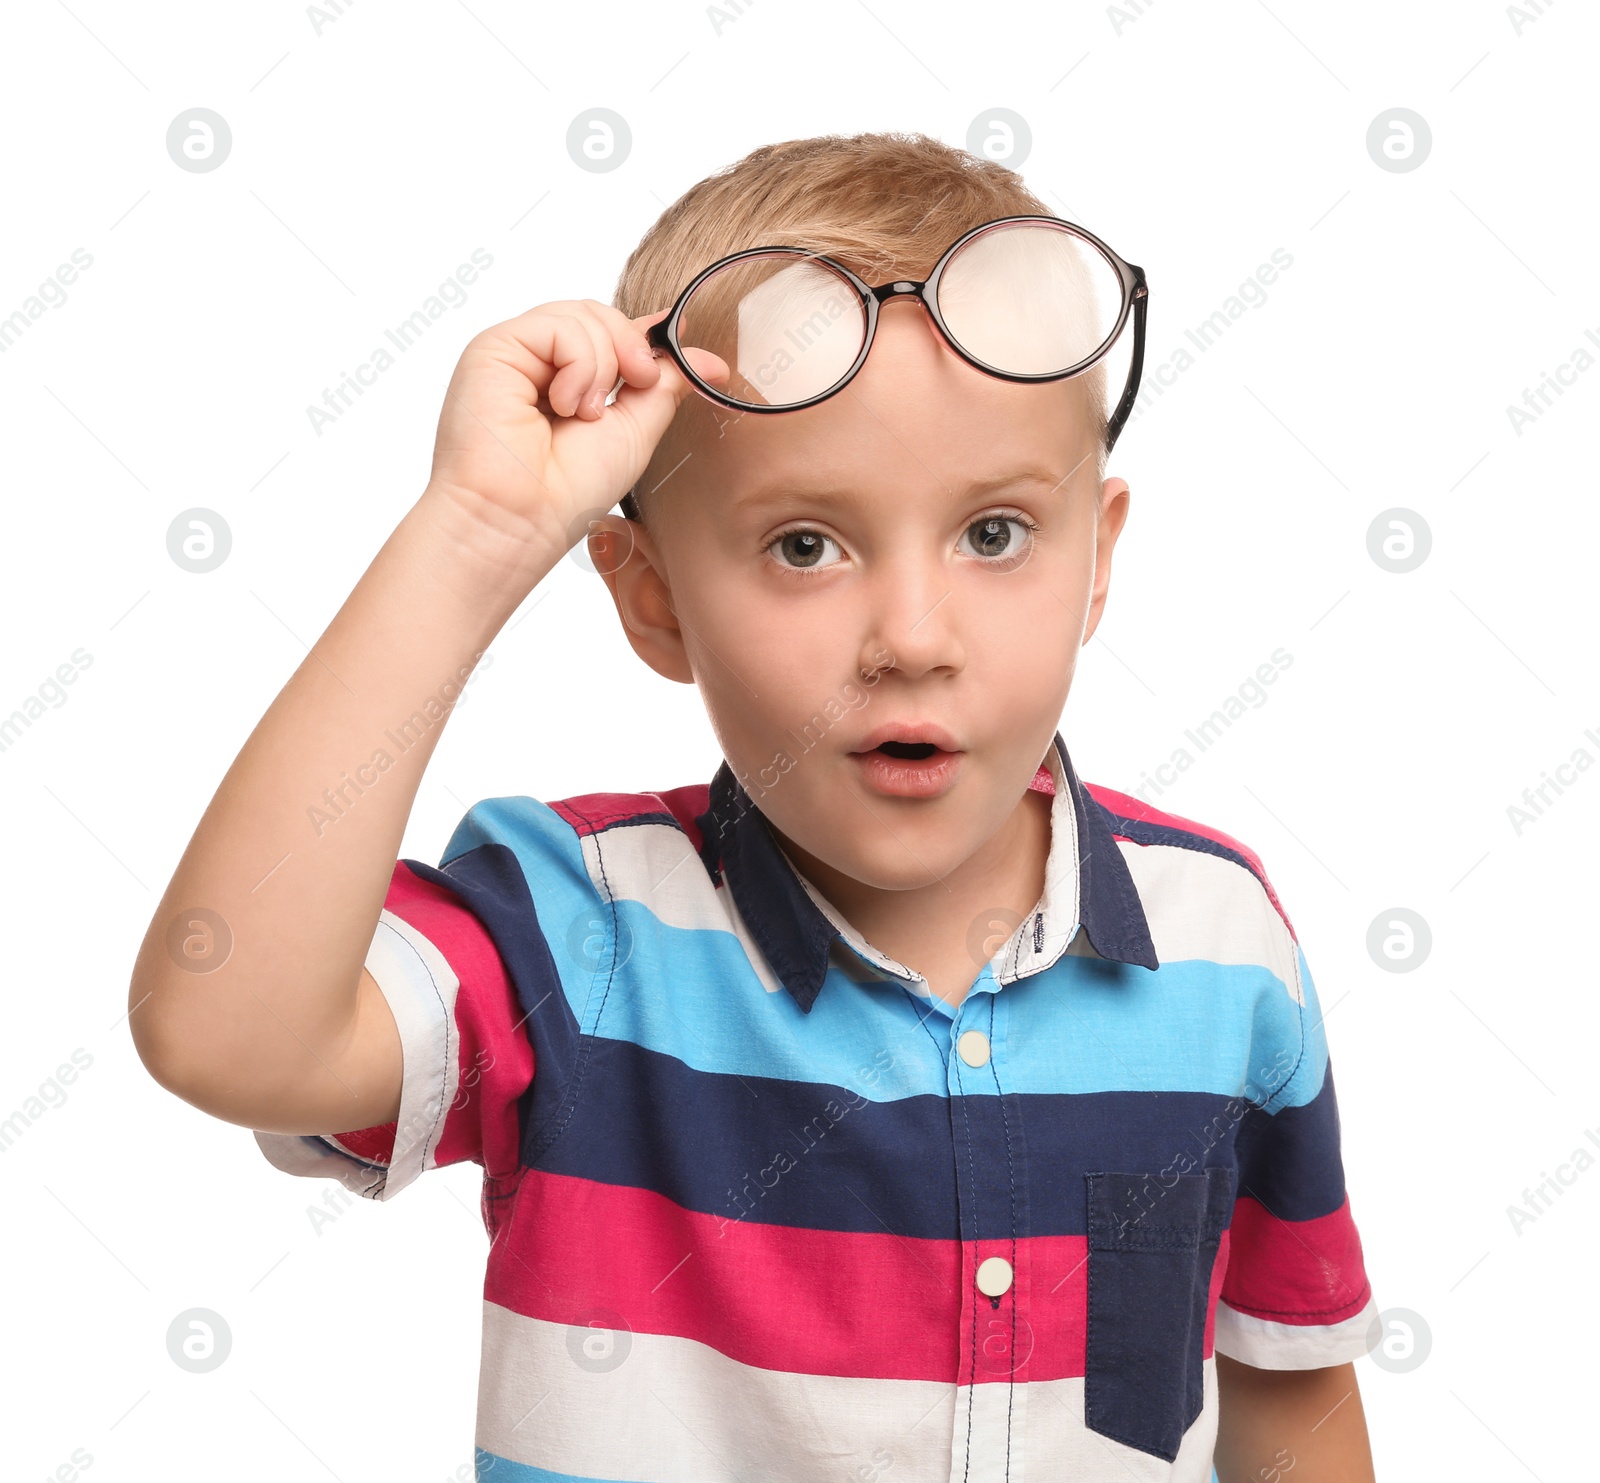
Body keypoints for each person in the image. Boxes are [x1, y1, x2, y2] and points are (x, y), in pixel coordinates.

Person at [129, 132, 1377, 1482]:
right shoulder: (575, 932)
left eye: (997, 534)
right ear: (652, 593)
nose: (913, 634)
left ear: (1097, 559)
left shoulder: (1223, 940)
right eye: (805, 545)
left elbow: (1284, 1391)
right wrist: (478, 531)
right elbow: (222, 1030)